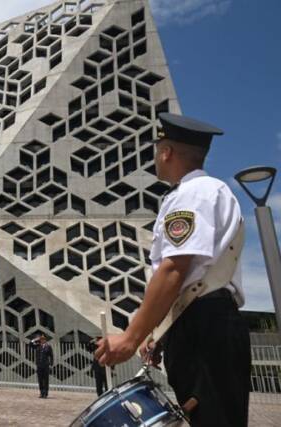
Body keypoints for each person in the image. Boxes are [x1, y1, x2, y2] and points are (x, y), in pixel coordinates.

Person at [95, 113, 250, 426]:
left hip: (205, 326)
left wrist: (130, 336)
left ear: (166, 152)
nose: (155, 158)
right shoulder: (200, 192)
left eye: (157, 150)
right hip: (199, 321)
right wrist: (159, 332)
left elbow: (174, 269)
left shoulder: (194, 193)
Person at [31, 334, 53, 398]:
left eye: (43, 339)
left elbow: (51, 356)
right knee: (40, 380)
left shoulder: (48, 346)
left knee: (46, 380)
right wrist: (35, 339)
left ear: (45, 340)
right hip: (39, 365)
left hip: (46, 365)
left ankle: (45, 393)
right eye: (41, 339)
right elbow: (30, 344)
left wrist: (51, 364)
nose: (42, 340)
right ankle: (41, 393)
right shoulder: (38, 346)